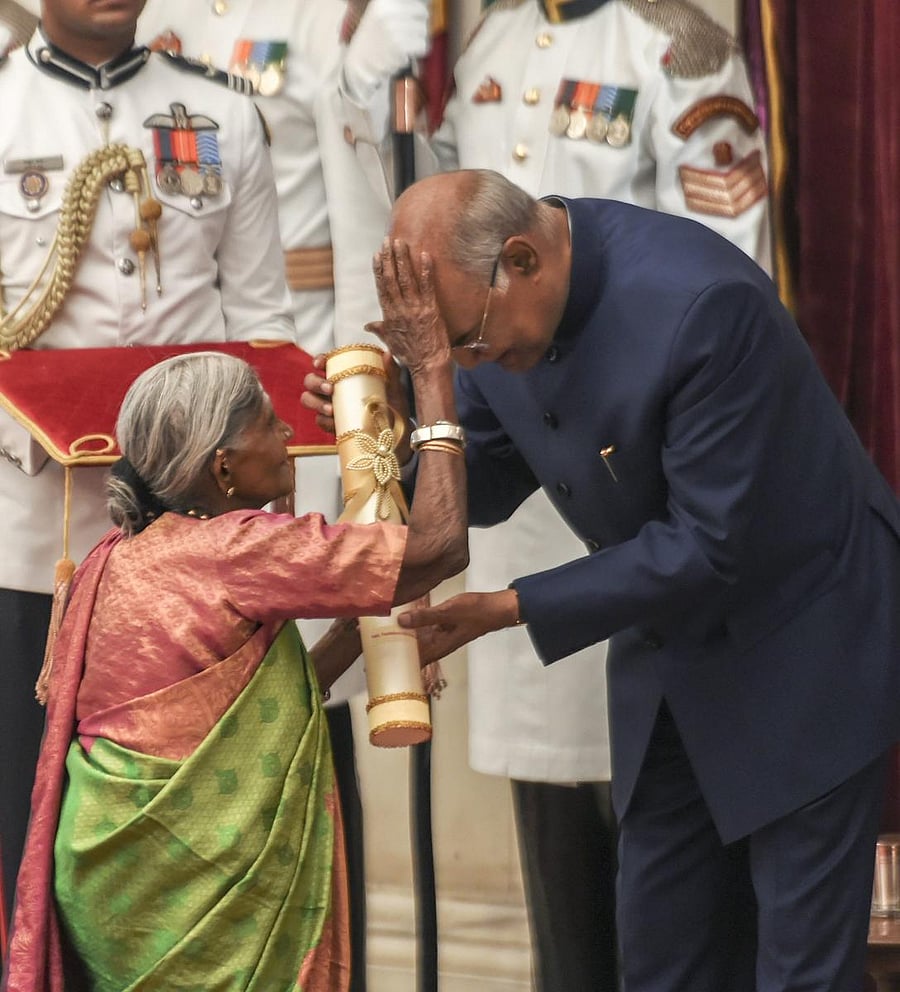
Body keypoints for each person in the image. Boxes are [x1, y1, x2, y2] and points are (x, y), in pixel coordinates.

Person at [302, 169, 900, 991]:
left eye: (467, 345)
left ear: (522, 260)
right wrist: (387, 440)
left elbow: (708, 544)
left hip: (803, 649)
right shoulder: (483, 314)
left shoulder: (700, 306)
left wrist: (510, 608)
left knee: (799, 972)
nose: (473, 365)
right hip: (671, 672)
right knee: (662, 961)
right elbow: (490, 473)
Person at [340, 1, 772, 986]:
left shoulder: (682, 38)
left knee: (663, 819)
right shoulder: (484, 38)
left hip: (652, 499)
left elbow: (726, 272)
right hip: (511, 495)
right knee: (553, 817)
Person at [2, 334, 466, 991]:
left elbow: (249, 714)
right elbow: (440, 547)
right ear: (223, 469)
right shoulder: (238, 550)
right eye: (267, 423)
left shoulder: (117, 554)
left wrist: (358, 628)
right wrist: (436, 386)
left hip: (111, 886)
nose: (285, 433)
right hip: (195, 891)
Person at [0, 0, 295, 930]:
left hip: (192, 544)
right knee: (29, 829)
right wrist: (35, 430)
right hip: (32, 529)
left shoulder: (221, 115)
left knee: (190, 830)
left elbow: (263, 323)